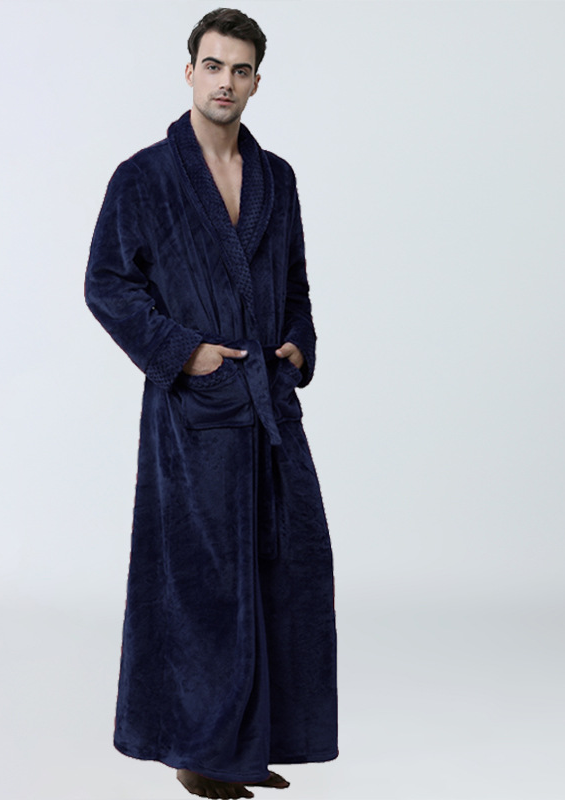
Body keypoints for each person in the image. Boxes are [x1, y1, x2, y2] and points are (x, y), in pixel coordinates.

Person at [85, 8, 337, 798]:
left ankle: (252, 741)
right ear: (189, 71)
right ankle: (201, 753)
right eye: (214, 65)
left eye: (241, 69)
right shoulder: (143, 178)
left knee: (286, 570)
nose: (226, 81)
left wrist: (297, 342)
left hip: (267, 405)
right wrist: (181, 351)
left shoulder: (277, 179)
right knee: (203, 582)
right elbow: (106, 284)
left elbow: (294, 284)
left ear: (257, 81)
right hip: (193, 413)